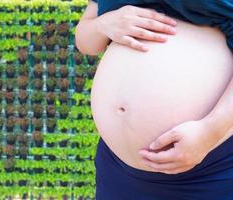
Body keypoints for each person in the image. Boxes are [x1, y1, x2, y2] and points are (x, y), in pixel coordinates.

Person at [75, 0, 233, 199]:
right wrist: (103, 24)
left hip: (210, 165)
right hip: (117, 169)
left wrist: (210, 132)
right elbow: (85, 41)